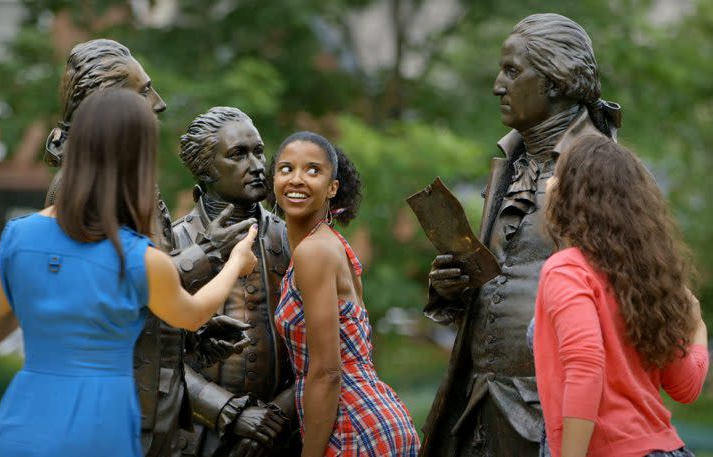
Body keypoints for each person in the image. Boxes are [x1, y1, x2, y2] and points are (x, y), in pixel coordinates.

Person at [0, 88, 258, 457]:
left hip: (23, 425)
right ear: (138, 161)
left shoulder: (19, 236)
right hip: (100, 429)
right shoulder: (139, 258)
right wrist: (236, 261)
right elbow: (193, 314)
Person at [421, 13, 622, 457]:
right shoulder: (510, 164)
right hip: (480, 404)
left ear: (555, 80)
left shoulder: (602, 167)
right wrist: (451, 287)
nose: (497, 85)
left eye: (513, 71)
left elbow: (626, 298)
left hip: (554, 413)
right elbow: (504, 280)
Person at [534, 135, 709, 457]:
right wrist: (697, 328)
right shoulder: (646, 281)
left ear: (573, 195)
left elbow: (585, 366)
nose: (549, 181)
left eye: (558, 174)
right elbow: (685, 387)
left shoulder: (566, 270)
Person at [271, 131, 420, 456]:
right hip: (374, 415)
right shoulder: (330, 243)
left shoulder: (314, 252)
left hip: (351, 425)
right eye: (286, 169)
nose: (296, 179)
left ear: (332, 188)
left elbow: (326, 372)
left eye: (313, 170)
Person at [173, 107, 300, 457]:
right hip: (197, 438)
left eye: (259, 151)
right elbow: (155, 353)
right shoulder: (173, 243)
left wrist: (276, 416)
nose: (258, 165)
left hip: (283, 437)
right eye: (238, 155)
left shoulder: (293, 239)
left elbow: (321, 346)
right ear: (205, 168)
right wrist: (228, 410)